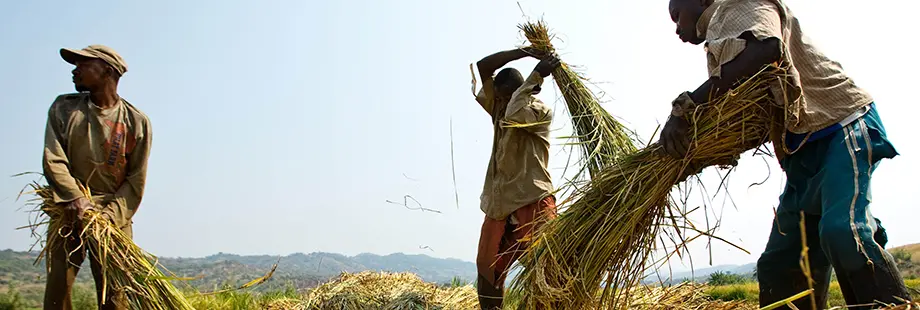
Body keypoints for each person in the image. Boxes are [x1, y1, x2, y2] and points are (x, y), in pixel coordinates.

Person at [662, 0, 911, 309]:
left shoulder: (740, 5)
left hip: (838, 126)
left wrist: (687, 105)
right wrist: (687, 159)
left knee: (842, 231)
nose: (677, 29)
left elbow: (767, 50)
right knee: (779, 267)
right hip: (800, 155)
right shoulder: (720, 45)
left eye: (677, 16)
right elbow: (749, 124)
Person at [42, 44, 152, 310]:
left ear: (107, 71)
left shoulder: (136, 122)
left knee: (114, 296)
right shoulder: (64, 109)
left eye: (83, 64)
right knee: (58, 293)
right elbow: (54, 160)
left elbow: (135, 181)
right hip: (70, 212)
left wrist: (108, 217)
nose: (74, 70)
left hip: (114, 219)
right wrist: (77, 199)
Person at [471, 48, 561, 310]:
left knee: (549, 270)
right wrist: (525, 51)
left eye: (502, 96)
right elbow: (483, 66)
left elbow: (514, 113)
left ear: (514, 92)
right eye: (497, 97)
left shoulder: (539, 112)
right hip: (499, 204)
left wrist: (536, 77)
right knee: (486, 268)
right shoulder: (501, 106)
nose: (496, 102)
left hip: (531, 199)